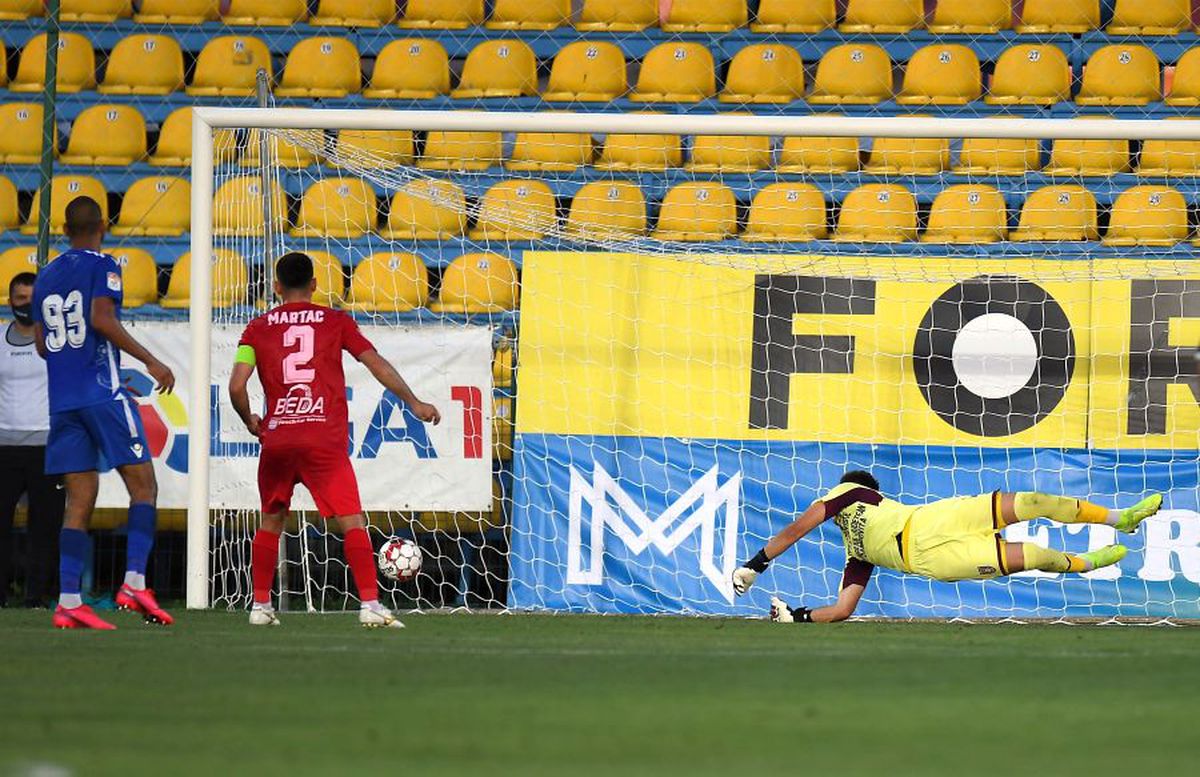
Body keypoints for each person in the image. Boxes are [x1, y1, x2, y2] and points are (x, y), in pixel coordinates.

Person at [228, 251, 442, 629]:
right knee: (352, 521)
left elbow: (236, 385)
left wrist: (251, 421)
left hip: (278, 438)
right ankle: (371, 605)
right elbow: (374, 362)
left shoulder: (256, 329)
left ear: (276, 287)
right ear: (313, 285)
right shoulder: (336, 321)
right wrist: (413, 402)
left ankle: (260, 606)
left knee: (270, 521)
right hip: (322, 439)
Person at [732, 470, 1163, 623]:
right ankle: (1085, 564)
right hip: (929, 558)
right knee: (1033, 557)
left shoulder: (856, 496)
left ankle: (1120, 519)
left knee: (1032, 502)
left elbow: (797, 529)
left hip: (932, 518)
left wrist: (755, 566)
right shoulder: (857, 553)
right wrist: (799, 616)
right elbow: (842, 610)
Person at [32, 196, 176, 630]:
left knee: (79, 499)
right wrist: (151, 360)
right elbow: (101, 318)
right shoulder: (103, 263)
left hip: (63, 401)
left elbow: (43, 345)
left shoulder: (45, 276)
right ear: (104, 225)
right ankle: (133, 582)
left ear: (64, 228)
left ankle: (69, 601)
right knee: (144, 485)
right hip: (101, 393)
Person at [0, 272, 65, 608]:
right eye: (19, 298)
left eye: (31, 298)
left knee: (45, 527)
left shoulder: (56, 343)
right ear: (10, 301)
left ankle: (36, 597)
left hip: (47, 448)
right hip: (4, 449)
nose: (25, 305)